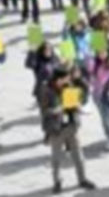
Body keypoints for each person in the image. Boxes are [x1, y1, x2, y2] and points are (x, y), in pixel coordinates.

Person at [40, 65, 96, 194]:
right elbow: (44, 111)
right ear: (59, 79)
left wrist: (78, 105)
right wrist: (56, 110)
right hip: (56, 128)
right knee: (56, 158)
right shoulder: (47, 90)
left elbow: (83, 95)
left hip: (71, 125)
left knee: (78, 155)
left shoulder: (70, 86)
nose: (68, 79)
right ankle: (57, 182)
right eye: (66, 78)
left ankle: (82, 179)